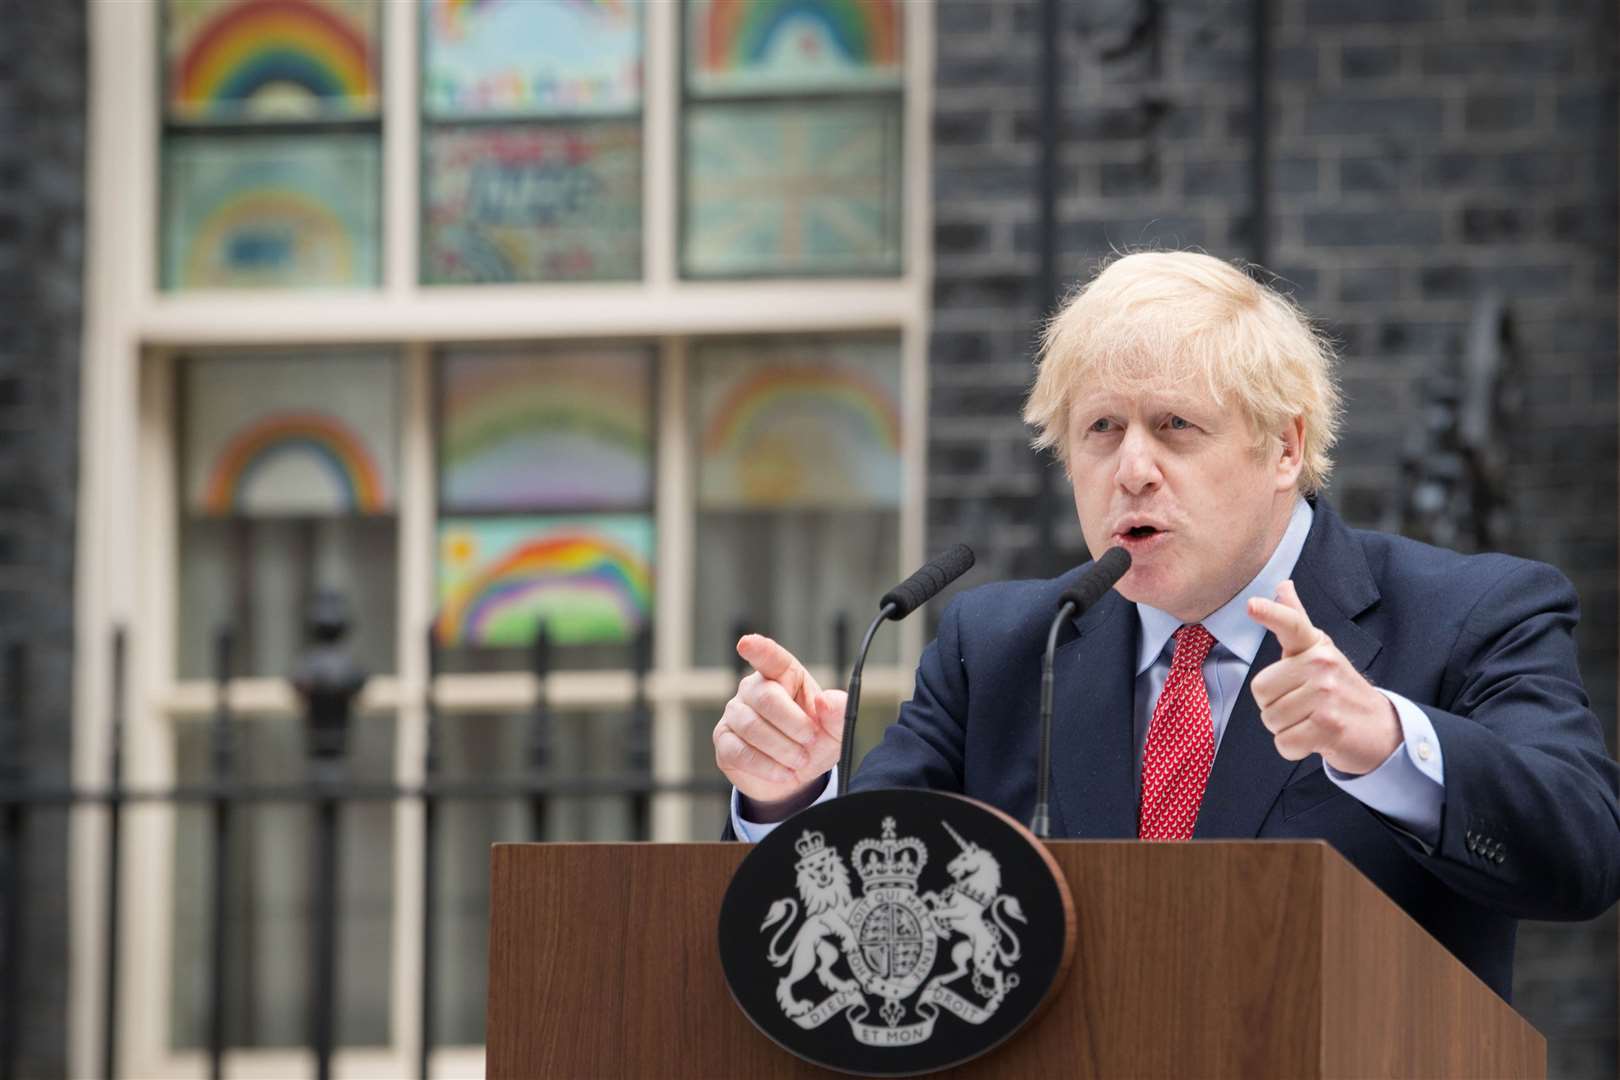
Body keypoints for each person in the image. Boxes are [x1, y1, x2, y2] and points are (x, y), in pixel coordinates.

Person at [711, 250, 1620, 1000]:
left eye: (1176, 426)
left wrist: (1384, 740)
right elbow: (867, 931)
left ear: (1285, 447)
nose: (1132, 469)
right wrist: (789, 802)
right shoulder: (999, 648)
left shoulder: (1469, 614)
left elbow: (1582, 852)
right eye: (1101, 429)